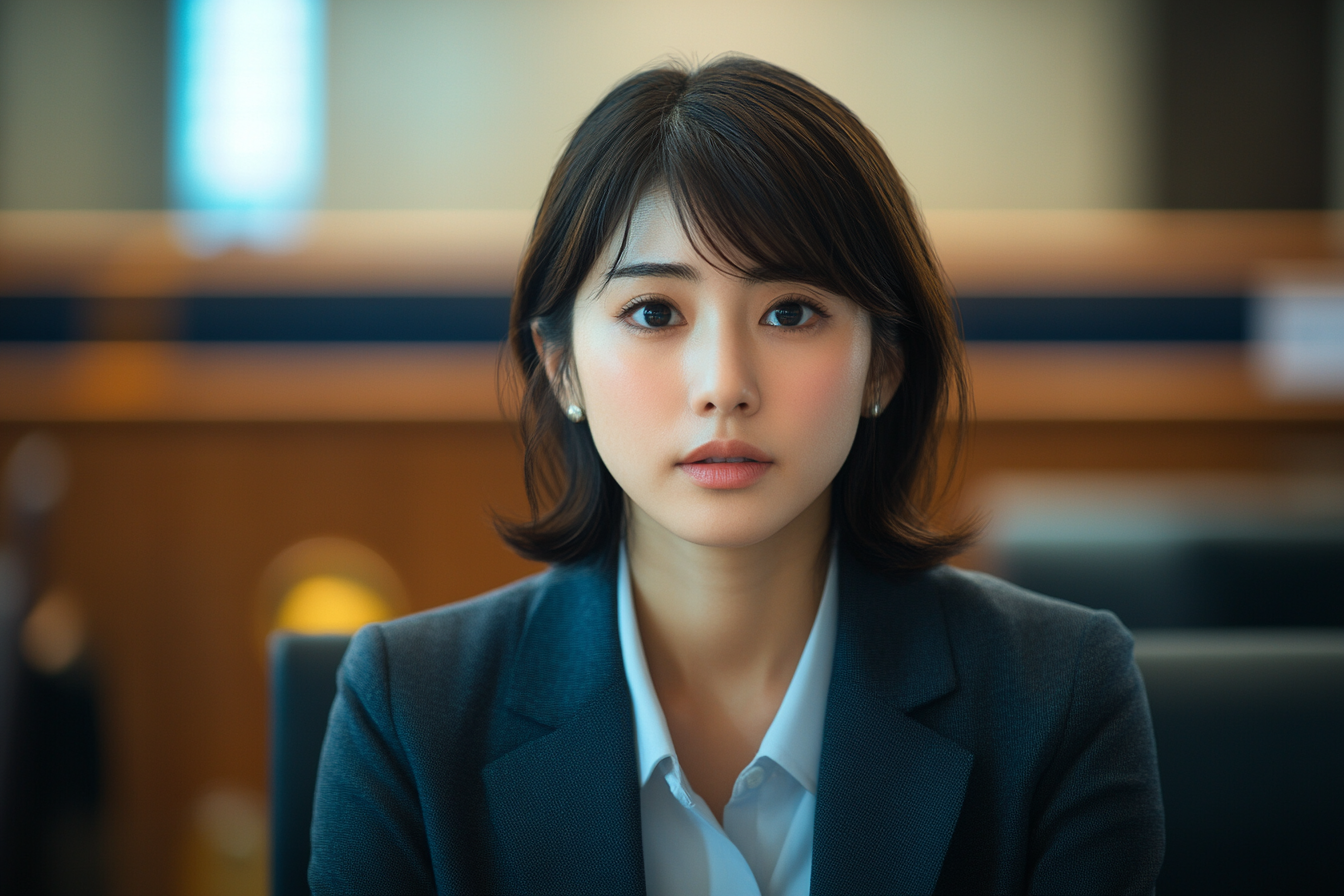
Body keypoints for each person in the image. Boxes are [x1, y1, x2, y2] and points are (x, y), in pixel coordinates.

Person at [309, 56, 1164, 895]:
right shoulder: (407, 712)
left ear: (883, 364)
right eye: (654, 312)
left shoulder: (1062, 694)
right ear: (560, 365)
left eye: (791, 312)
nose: (724, 383)